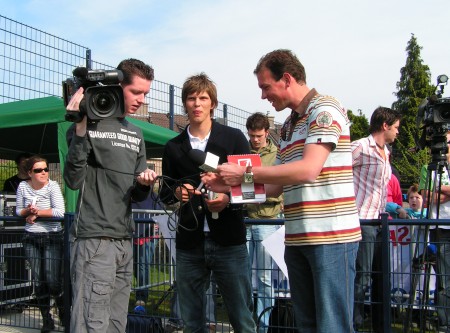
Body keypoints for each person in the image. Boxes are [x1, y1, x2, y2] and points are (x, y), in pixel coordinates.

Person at [204, 49, 361, 332]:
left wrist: (244, 173)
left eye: (266, 86)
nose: (264, 95)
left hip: (331, 239)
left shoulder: (325, 110)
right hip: (298, 239)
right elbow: (275, 185)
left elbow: (308, 169)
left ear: (287, 78)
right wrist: (228, 187)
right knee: (308, 324)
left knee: (332, 325)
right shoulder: (289, 125)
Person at [64, 58, 157, 333]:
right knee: (91, 321)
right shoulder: (88, 123)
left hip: (124, 241)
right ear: (118, 86)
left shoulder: (136, 133)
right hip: (94, 240)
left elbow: (137, 197)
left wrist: (144, 184)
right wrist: (80, 128)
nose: (141, 100)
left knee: (117, 323)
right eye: (136, 92)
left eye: (145, 94)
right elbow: (72, 180)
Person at [160, 73, 255, 332]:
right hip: (189, 243)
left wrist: (227, 199)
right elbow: (165, 194)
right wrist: (177, 192)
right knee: (191, 320)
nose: (197, 104)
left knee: (241, 317)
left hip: (229, 241)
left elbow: (250, 187)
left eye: (203, 98)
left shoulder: (233, 138)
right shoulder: (173, 147)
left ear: (212, 103)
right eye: (191, 98)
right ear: (185, 103)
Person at [351, 106, 401, 332]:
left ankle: (381, 326)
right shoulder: (361, 146)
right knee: (361, 278)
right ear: (385, 125)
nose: (398, 132)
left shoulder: (386, 151)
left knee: (382, 277)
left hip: (381, 221)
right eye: (396, 127)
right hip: (363, 221)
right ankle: (354, 324)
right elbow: (336, 167)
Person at [16, 155, 65, 333]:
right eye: (38, 170)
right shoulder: (23, 187)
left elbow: (60, 212)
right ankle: (47, 319)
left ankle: (63, 312)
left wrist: (38, 214)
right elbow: (18, 210)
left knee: (53, 279)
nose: (44, 173)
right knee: (39, 280)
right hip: (31, 237)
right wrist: (28, 211)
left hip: (52, 236)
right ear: (30, 173)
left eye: (46, 169)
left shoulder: (53, 186)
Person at [245, 112, 282, 333]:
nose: (255, 139)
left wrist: (259, 189)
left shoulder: (277, 155)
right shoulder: (241, 153)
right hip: (245, 218)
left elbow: (280, 188)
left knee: (265, 276)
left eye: (258, 135)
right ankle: (247, 323)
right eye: (251, 135)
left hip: (267, 220)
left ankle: (264, 326)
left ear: (267, 133)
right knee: (243, 276)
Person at [418, 129, 450, 332]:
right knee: (445, 279)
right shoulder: (428, 168)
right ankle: (445, 323)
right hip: (441, 228)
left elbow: (434, 195)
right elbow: (425, 197)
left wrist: (441, 192)